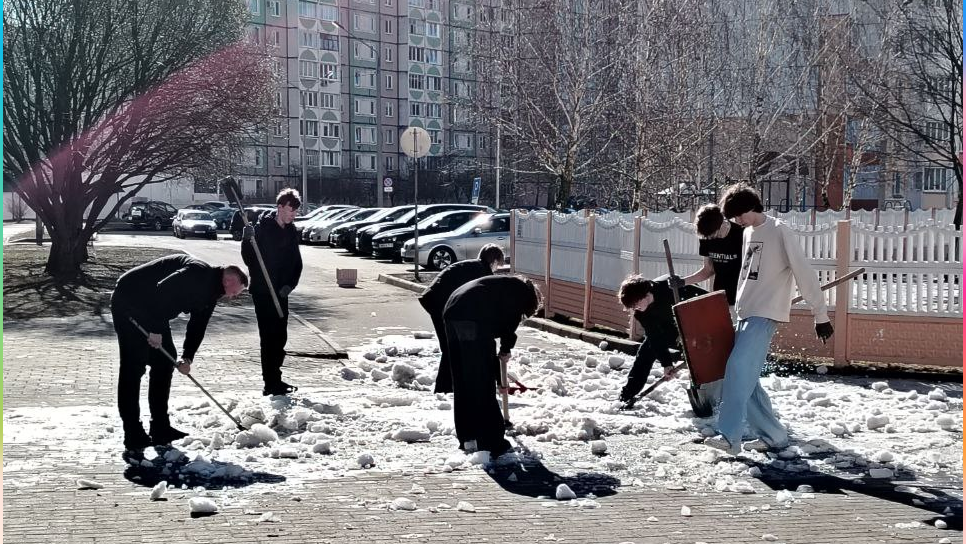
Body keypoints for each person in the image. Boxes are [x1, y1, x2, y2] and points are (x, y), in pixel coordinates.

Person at [705, 184, 834, 455]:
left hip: (765, 313)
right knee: (748, 380)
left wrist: (820, 314)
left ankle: (729, 436)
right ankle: (773, 435)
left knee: (737, 368)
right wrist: (737, 307)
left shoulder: (779, 230)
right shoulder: (747, 233)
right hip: (745, 312)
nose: (737, 221)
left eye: (739, 215)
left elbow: (803, 271)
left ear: (751, 207)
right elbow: (746, 275)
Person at [110, 255, 248, 450]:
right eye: (235, 292)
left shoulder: (211, 295)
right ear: (229, 280)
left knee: (165, 362)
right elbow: (160, 291)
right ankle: (132, 432)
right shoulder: (196, 273)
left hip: (153, 312)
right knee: (133, 368)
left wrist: (187, 357)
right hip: (129, 300)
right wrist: (154, 330)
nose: (233, 297)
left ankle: (160, 427)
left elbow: (198, 326)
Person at [443, 275, 542, 456]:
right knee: (482, 381)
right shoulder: (518, 293)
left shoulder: (502, 286)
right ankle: (491, 441)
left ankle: (467, 436)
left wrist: (502, 351)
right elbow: (509, 326)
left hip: (452, 311)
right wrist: (505, 350)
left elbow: (502, 325)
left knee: (463, 378)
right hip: (473, 316)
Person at [418, 244, 506, 393]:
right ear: (494, 261)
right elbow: (479, 302)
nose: (497, 269)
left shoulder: (473, 266)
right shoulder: (482, 273)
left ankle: (449, 386)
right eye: (498, 264)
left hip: (434, 299)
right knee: (450, 347)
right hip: (439, 303)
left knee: (451, 347)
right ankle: (444, 389)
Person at [241, 188, 303, 396]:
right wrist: (246, 240)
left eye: (296, 211)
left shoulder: (291, 232)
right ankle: (270, 383)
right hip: (263, 291)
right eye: (291, 210)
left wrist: (290, 285)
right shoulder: (262, 229)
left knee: (280, 337)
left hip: (281, 293)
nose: (293, 214)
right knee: (268, 337)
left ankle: (276, 377)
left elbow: (296, 263)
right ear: (280, 207)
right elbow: (249, 259)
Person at [616, 275, 706, 408]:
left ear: (645, 294)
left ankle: (704, 393)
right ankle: (627, 395)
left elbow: (708, 299)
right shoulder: (640, 312)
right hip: (669, 330)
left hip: (695, 326)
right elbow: (655, 337)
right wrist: (667, 363)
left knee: (698, 361)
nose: (635, 308)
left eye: (635, 303)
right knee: (646, 352)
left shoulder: (670, 288)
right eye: (632, 306)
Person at [672, 203, 744, 317]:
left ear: (722, 223)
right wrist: (682, 282)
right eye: (707, 237)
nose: (710, 239)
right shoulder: (706, 237)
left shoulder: (741, 235)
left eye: (713, 235)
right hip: (720, 299)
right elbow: (708, 270)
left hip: (743, 300)